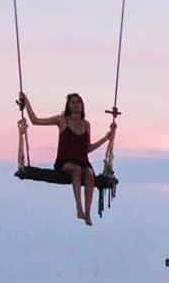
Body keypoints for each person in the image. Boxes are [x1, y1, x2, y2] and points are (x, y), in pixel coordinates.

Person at [18, 91, 116, 224]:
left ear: (82, 105)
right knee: (76, 170)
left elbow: (87, 149)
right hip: (65, 162)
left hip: (83, 162)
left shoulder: (86, 124)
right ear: (68, 105)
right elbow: (36, 120)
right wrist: (26, 101)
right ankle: (79, 208)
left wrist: (106, 138)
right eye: (73, 102)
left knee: (89, 173)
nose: (76, 105)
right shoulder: (62, 120)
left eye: (78, 102)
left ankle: (87, 212)